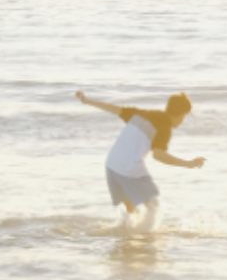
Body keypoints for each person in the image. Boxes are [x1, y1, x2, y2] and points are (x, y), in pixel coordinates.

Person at [75, 90, 205, 232]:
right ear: (181, 114)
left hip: (112, 165)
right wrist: (188, 163)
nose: (183, 120)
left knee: (133, 213)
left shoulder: (142, 114)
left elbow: (113, 109)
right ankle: (145, 239)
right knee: (154, 207)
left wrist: (87, 101)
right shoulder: (164, 126)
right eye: (185, 116)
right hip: (129, 169)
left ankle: (130, 240)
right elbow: (158, 155)